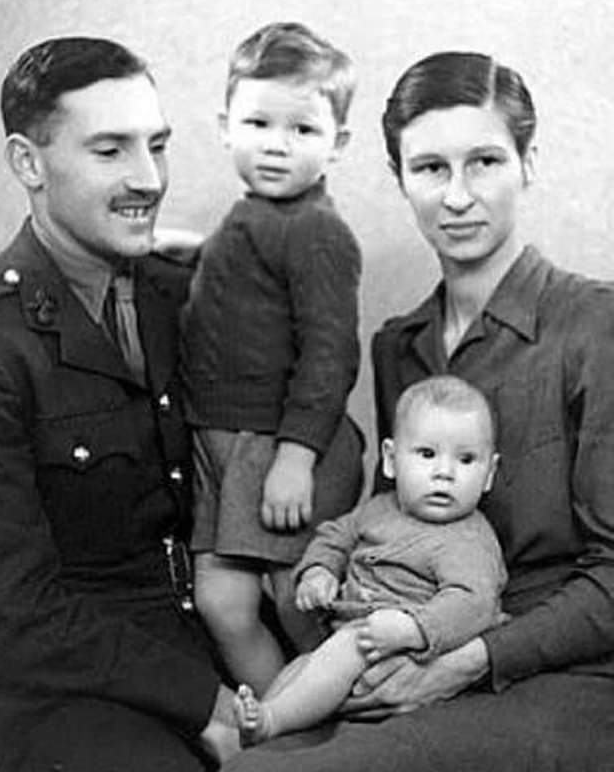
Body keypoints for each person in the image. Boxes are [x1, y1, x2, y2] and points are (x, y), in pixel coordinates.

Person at [224, 51, 614, 772]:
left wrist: (467, 659)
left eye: (486, 162)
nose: (458, 196)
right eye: (431, 168)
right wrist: (323, 588)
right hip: (408, 641)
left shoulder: (595, 326)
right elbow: (390, 522)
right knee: (243, 749)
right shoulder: (398, 345)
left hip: (564, 671)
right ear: (399, 178)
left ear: (529, 163)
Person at [0, 36, 241, 772]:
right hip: (60, 694)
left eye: (157, 146)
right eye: (110, 151)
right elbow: (12, 615)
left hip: (207, 644)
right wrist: (198, 699)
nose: (149, 178)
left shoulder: (177, 294)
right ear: (29, 162)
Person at [180, 21, 364, 694]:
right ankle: (286, 729)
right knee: (223, 605)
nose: (277, 146)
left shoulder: (317, 229)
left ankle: (350, 725)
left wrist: (296, 455)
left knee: (301, 601)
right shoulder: (250, 215)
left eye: (303, 131)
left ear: (337, 144)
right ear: (226, 125)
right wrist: (190, 254)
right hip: (220, 444)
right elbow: (243, 287)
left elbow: (330, 352)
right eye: (258, 123)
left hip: (282, 447)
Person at [233, 375, 506, 744]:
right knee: (302, 666)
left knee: (347, 648)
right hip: (353, 636)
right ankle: (263, 721)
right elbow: (335, 536)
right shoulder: (378, 509)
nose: (445, 472)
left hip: (409, 652)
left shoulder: (468, 541)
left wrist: (412, 629)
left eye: (466, 459)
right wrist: (319, 571)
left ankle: (272, 721)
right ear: (391, 460)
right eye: (427, 454)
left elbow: (473, 603)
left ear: (489, 473)